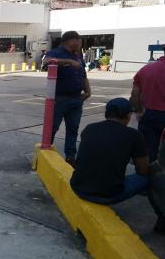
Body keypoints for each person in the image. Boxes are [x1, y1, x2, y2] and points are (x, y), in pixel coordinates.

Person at [70, 98, 164, 232]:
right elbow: (143, 170)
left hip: (78, 187)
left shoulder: (89, 128)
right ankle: (162, 220)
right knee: (152, 176)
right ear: (127, 116)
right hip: (108, 194)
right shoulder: (134, 135)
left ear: (106, 114)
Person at [44, 31, 92, 166]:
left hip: (77, 99)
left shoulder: (78, 56)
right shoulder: (57, 53)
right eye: (79, 41)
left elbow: (83, 75)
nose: (80, 44)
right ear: (71, 41)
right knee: (52, 127)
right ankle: (47, 152)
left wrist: (88, 91)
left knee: (73, 128)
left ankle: (70, 157)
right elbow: (47, 62)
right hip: (60, 99)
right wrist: (68, 62)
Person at [130, 47, 165, 162]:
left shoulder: (146, 70)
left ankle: (147, 175)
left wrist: (138, 111)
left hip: (150, 114)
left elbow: (135, 93)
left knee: (148, 150)